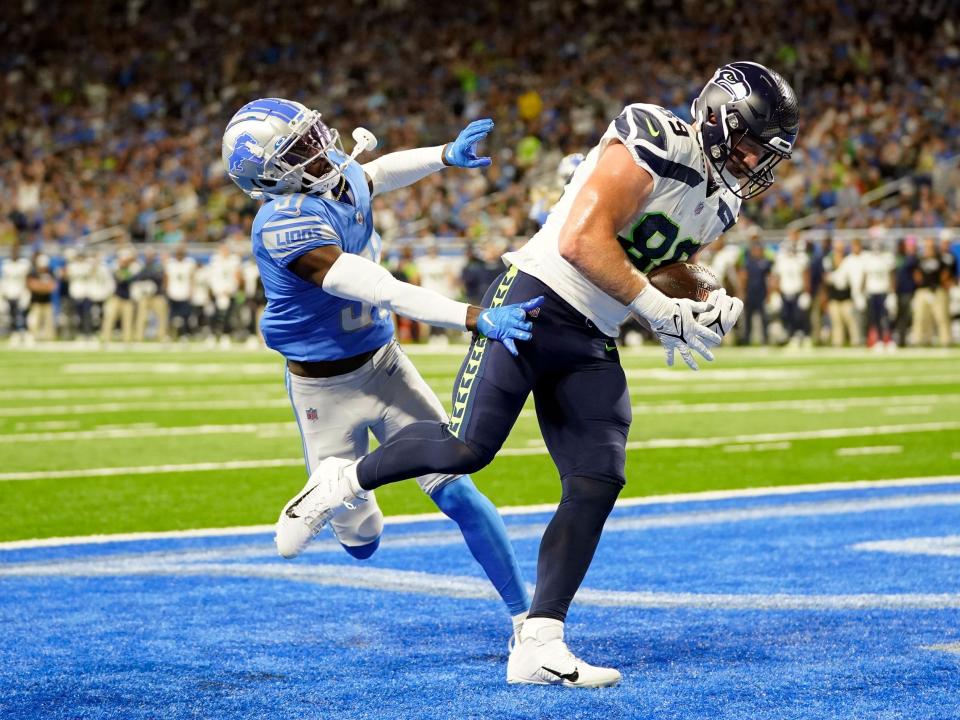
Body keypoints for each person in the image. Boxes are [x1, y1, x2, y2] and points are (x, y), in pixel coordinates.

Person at [282, 61, 795, 687]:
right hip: (536, 300)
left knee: (598, 476)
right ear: (717, 121)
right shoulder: (653, 137)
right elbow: (584, 239)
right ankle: (343, 479)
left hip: (594, 330)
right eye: (747, 145)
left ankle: (539, 642)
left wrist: (705, 294)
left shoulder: (721, 200)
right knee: (469, 447)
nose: (752, 163)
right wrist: (662, 312)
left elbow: (660, 256)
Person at [221, 98, 540, 640]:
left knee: (458, 487)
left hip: (385, 364)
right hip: (325, 389)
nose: (320, 148)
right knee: (362, 540)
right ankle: (335, 492)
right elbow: (378, 287)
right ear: (271, 175)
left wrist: (444, 155)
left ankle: (526, 618)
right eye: (299, 147)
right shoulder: (284, 225)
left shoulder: (329, 176)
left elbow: (374, 173)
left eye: (312, 133)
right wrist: (472, 316)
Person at [1, 245, 31, 344]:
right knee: (12, 314)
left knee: (24, 314)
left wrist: (26, 291)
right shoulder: (6, 264)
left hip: (21, 292)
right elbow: (4, 279)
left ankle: (26, 333)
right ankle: (15, 333)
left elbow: (28, 278)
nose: (14, 254)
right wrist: (3, 292)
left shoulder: (24, 264)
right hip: (10, 292)